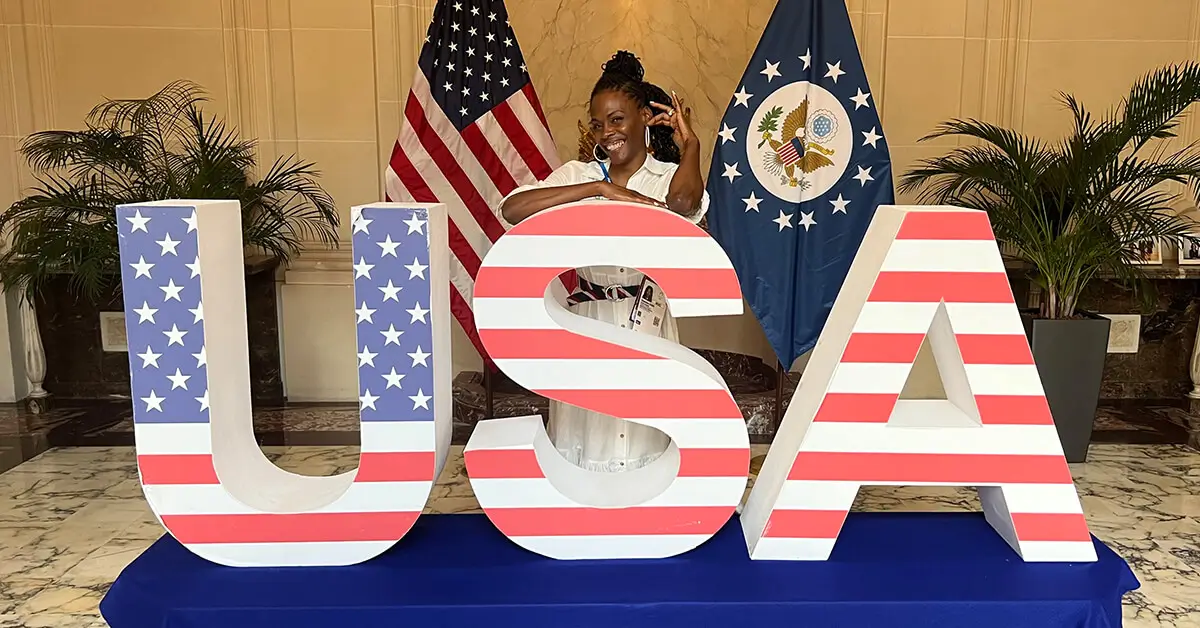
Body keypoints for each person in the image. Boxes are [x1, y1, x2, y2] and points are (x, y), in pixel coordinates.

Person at [498, 50, 709, 472]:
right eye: (598, 124)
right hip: (587, 318)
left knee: (643, 428)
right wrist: (598, 189)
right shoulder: (579, 175)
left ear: (645, 118)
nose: (607, 132)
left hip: (648, 317)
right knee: (588, 435)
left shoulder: (667, 175)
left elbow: (685, 203)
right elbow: (513, 209)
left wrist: (692, 143)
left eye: (617, 119)